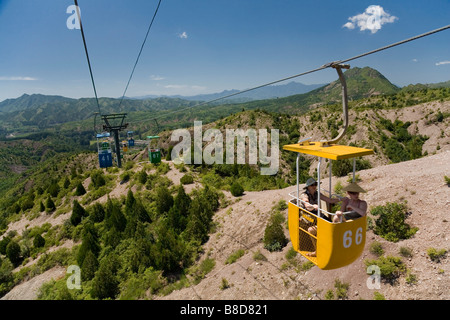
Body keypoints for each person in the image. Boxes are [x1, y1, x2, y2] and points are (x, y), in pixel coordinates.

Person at [300, 177, 340, 257]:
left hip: (316, 213)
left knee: (329, 222)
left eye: (315, 184)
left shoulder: (317, 193)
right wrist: (313, 206)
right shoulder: (304, 195)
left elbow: (329, 200)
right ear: (308, 187)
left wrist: (340, 199)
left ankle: (331, 244)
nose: (314, 186)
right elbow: (307, 205)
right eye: (312, 185)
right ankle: (318, 250)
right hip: (307, 215)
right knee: (314, 229)